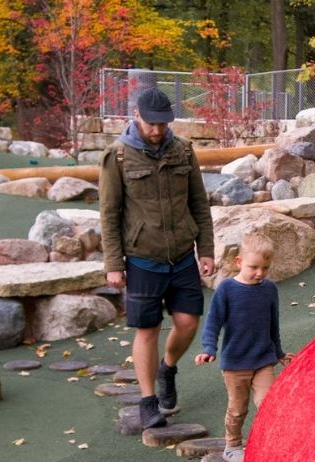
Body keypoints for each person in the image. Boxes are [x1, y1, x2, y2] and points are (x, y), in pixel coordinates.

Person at [99, 87, 215, 429]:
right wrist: (113, 264)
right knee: (147, 328)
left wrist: (205, 249)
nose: (158, 130)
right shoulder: (117, 156)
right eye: (152, 123)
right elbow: (109, 213)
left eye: (164, 123)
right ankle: (148, 401)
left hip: (181, 255)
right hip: (141, 257)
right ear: (137, 116)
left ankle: (168, 367)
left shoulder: (184, 150)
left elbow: (199, 202)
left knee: (188, 322)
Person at [195, 232, 291, 462]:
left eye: (265, 267)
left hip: (263, 360)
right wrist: (209, 348)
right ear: (239, 261)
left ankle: (270, 445)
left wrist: (278, 352)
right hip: (235, 363)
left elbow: (273, 323)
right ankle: (233, 446)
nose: (259, 273)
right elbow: (213, 322)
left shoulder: (269, 289)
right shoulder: (227, 289)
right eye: (253, 267)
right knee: (238, 409)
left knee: (268, 403)